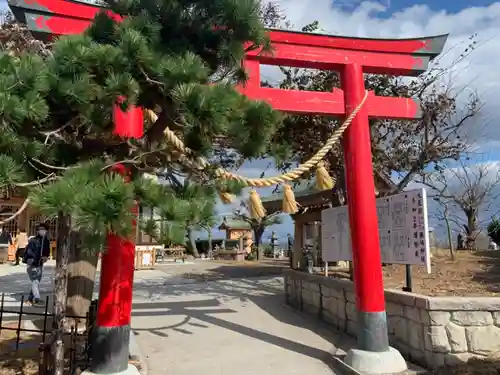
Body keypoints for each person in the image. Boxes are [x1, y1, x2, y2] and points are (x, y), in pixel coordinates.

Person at [22, 223, 50, 306]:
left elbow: (47, 252)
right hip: (32, 265)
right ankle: (37, 299)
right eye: (40, 229)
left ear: (46, 230)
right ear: (37, 231)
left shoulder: (46, 241)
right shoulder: (33, 240)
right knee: (35, 282)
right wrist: (36, 258)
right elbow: (29, 252)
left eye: (44, 229)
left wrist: (45, 257)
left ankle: (30, 300)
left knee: (36, 282)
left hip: (40, 264)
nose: (42, 231)